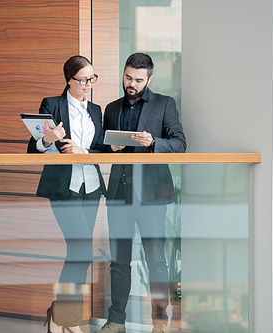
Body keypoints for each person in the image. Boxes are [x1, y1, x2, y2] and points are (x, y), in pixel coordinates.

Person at [96, 53, 186, 333]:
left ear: (149, 78)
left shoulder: (164, 104)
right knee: (118, 262)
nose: (131, 84)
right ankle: (116, 321)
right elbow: (100, 145)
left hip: (151, 195)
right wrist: (109, 148)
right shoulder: (111, 108)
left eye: (137, 79)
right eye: (127, 78)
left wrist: (153, 143)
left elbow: (180, 143)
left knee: (156, 260)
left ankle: (159, 322)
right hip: (119, 194)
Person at [27, 55, 106, 333]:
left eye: (92, 79)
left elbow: (101, 149)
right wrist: (47, 140)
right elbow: (33, 148)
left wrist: (85, 151)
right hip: (64, 188)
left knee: (78, 253)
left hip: (92, 187)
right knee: (82, 251)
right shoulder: (53, 105)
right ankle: (61, 319)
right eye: (83, 80)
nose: (88, 85)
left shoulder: (96, 110)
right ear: (69, 81)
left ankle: (64, 318)